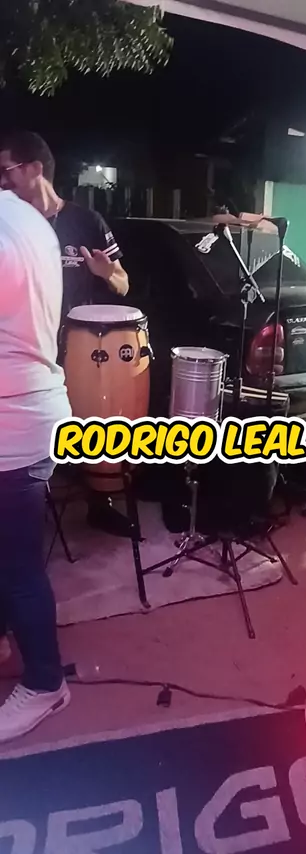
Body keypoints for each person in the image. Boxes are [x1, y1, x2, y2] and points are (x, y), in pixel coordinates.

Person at [0, 131, 132, 538]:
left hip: (81, 346)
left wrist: (106, 273)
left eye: (7, 170)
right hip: (29, 348)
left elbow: (124, 284)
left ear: (35, 169)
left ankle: (99, 502)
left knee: (92, 425)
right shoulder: (11, 224)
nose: (2, 180)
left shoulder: (85, 222)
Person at [0, 188, 71, 741]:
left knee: (17, 566)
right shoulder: (26, 217)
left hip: (13, 426)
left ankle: (46, 683)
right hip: (33, 412)